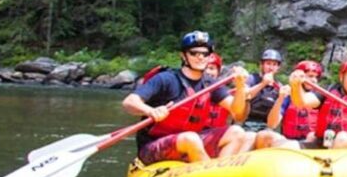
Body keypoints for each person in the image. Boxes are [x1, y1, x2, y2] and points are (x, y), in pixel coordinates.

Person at [121, 31, 252, 165]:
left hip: (189, 141)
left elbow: (238, 114)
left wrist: (240, 87)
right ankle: (210, 171)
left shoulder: (210, 84)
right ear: (183, 56)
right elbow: (129, 102)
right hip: (154, 146)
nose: (200, 57)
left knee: (236, 132)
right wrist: (150, 111)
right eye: (194, 53)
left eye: (205, 54)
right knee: (191, 139)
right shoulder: (166, 79)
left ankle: (219, 171)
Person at [255, 60, 324, 150]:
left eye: (316, 77)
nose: (314, 80)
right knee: (263, 135)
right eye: (310, 76)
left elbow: (303, 102)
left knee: (311, 136)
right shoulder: (288, 96)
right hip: (289, 140)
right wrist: (280, 98)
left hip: (311, 143)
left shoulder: (319, 96)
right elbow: (272, 124)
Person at [243, 48, 283, 131]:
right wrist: (263, 84)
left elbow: (278, 114)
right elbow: (245, 95)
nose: (271, 67)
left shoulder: (279, 87)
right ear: (261, 65)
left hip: (266, 125)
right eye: (268, 64)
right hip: (247, 122)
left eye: (274, 64)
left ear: (278, 67)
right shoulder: (251, 79)